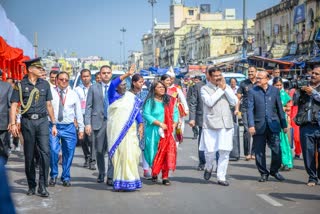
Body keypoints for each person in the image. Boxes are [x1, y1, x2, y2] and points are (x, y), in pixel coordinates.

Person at [9, 57, 57, 197]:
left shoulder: (45, 84)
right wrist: (13, 123)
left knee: (45, 153)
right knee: (29, 155)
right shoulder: (20, 85)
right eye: (38, 67)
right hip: (27, 122)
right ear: (30, 69)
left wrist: (53, 124)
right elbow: (13, 105)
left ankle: (43, 185)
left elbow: (49, 105)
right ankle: (31, 185)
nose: (41, 70)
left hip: (42, 121)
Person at [107, 65, 144, 191]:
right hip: (118, 133)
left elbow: (137, 112)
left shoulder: (131, 97)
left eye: (124, 84)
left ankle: (131, 180)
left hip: (130, 132)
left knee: (131, 156)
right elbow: (112, 83)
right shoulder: (113, 96)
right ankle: (119, 181)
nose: (123, 86)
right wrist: (127, 74)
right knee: (120, 156)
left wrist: (141, 124)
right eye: (121, 84)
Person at [200, 67, 238, 186]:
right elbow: (210, 102)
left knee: (224, 151)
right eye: (215, 76)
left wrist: (225, 88)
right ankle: (208, 166)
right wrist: (221, 90)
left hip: (226, 124)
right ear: (209, 77)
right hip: (211, 124)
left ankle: (221, 176)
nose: (218, 78)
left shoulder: (226, 87)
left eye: (219, 75)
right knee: (210, 151)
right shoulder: (204, 89)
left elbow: (234, 101)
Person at [248, 71, 287, 182]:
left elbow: (280, 108)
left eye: (260, 78)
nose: (258, 80)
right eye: (257, 78)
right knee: (260, 152)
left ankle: (274, 170)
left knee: (277, 150)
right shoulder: (252, 91)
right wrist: (251, 125)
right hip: (258, 126)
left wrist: (284, 125)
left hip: (273, 125)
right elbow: (249, 110)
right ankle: (263, 173)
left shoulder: (275, 91)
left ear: (267, 79)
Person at [48, 71, 84, 187]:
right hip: (53, 126)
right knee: (53, 150)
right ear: (56, 80)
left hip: (69, 127)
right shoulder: (51, 92)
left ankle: (66, 176)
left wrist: (81, 128)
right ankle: (53, 175)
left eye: (66, 80)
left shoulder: (73, 94)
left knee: (68, 153)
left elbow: (78, 112)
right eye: (61, 79)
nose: (64, 81)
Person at [143, 80, 179, 185]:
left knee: (166, 153)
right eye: (159, 87)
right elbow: (146, 114)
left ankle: (165, 176)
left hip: (168, 131)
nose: (162, 89)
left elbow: (175, 112)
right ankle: (155, 172)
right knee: (153, 152)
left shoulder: (170, 101)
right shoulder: (150, 101)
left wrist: (175, 123)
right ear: (154, 89)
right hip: (154, 131)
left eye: (163, 87)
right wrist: (159, 124)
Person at [85, 65, 113, 185]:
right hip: (98, 123)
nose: (106, 75)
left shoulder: (116, 87)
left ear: (111, 74)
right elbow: (88, 107)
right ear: (99, 75)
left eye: (108, 73)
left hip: (113, 122)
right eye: (103, 73)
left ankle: (110, 176)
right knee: (99, 150)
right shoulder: (93, 88)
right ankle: (102, 172)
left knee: (112, 149)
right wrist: (87, 123)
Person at [293, 65, 320, 186]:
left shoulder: (314, 90)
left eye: (316, 74)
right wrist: (299, 91)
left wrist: (313, 92)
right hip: (306, 125)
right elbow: (295, 102)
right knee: (308, 153)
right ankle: (312, 177)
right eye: (312, 73)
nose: (313, 75)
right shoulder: (304, 87)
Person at [161, 71, 189, 145]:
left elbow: (183, 99)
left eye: (170, 79)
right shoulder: (160, 88)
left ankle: (175, 144)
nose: (169, 81)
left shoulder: (176, 88)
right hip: (164, 113)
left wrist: (186, 109)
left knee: (179, 129)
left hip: (176, 111)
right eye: (168, 79)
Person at [75, 69, 94, 169]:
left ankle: (92, 159)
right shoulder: (77, 90)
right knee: (83, 139)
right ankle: (87, 156)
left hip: (92, 116)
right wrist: (75, 119)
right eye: (83, 76)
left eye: (87, 76)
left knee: (92, 139)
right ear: (81, 77)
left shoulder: (95, 88)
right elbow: (74, 105)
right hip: (81, 116)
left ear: (90, 77)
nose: (85, 78)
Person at [272, 77, 293, 171]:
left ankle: (287, 163)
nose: (279, 87)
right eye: (277, 85)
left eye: (280, 85)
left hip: (282, 121)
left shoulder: (284, 94)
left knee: (284, 142)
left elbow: (288, 108)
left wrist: (283, 109)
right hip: (273, 121)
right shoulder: (270, 94)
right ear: (273, 85)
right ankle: (278, 163)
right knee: (276, 143)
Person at [237, 65, 257, 161]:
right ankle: (247, 153)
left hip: (256, 110)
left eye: (252, 72)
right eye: (249, 72)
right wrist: (236, 109)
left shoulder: (259, 83)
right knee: (247, 130)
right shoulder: (243, 83)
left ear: (256, 72)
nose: (250, 73)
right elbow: (238, 97)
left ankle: (254, 152)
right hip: (245, 109)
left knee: (255, 130)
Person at [188, 75, 206, 171]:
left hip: (217, 119)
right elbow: (193, 102)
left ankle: (216, 162)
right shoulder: (198, 86)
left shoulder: (220, 86)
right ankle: (202, 162)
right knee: (202, 140)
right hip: (202, 118)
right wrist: (192, 118)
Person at [0, 76, 13, 164]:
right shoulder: (7, 86)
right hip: (3, 119)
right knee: (4, 143)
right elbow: (10, 104)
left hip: (3, 120)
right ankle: (3, 164)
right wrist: (12, 121)